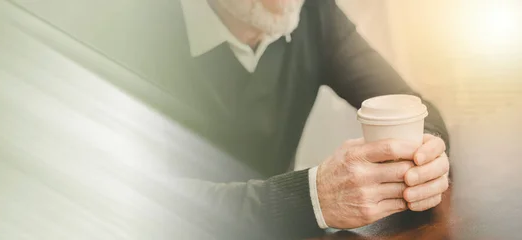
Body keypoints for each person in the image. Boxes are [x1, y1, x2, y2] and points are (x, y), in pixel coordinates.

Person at [113, 0, 450, 239]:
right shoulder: (127, 30)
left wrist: (426, 158)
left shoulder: (315, 13)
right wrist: (311, 198)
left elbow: (420, 112)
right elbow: (129, 199)